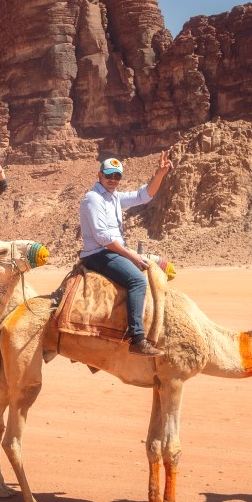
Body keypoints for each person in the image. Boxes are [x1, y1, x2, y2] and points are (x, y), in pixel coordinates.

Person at [78, 152, 172, 357]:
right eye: (109, 175)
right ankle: (137, 338)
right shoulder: (93, 199)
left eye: (117, 176)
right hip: (98, 254)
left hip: (111, 250)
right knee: (137, 280)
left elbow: (144, 196)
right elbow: (103, 237)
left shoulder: (114, 198)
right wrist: (131, 256)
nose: (113, 180)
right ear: (99, 175)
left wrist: (160, 174)